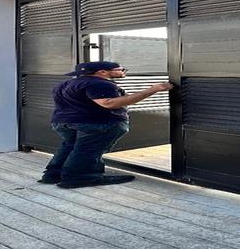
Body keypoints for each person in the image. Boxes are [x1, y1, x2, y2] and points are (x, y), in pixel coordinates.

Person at [39, 61, 175, 188]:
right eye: (120, 69)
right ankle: (80, 177)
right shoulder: (100, 84)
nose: (123, 71)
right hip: (96, 123)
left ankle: (53, 175)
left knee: (71, 146)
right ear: (102, 72)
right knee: (88, 150)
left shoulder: (65, 84)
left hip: (63, 122)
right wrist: (152, 90)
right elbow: (109, 103)